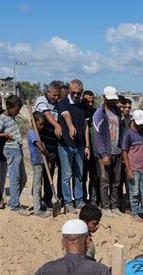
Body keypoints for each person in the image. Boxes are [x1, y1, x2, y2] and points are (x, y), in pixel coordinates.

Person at [0, 95, 29, 216]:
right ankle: (15, 206)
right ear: (9, 107)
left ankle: (13, 201)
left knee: (23, 178)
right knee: (15, 177)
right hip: (11, 150)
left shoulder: (11, 116)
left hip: (17, 148)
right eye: (16, 110)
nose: (18, 112)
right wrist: (5, 134)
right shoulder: (2, 118)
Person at [56, 79, 88, 212]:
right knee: (66, 175)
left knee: (79, 175)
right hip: (65, 145)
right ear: (69, 91)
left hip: (80, 145)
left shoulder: (83, 105)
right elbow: (66, 116)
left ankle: (79, 200)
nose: (76, 95)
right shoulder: (63, 103)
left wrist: (87, 146)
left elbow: (86, 126)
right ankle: (68, 202)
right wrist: (70, 126)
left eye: (78, 93)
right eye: (74, 93)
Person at [93, 86, 124, 216]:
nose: (112, 102)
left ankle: (114, 206)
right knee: (105, 181)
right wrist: (104, 154)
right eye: (110, 100)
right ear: (104, 98)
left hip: (117, 151)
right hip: (105, 152)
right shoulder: (99, 114)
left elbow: (120, 131)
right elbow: (98, 136)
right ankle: (106, 207)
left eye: (113, 100)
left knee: (116, 181)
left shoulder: (117, 111)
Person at [122, 110, 143, 221]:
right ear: (133, 121)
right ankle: (135, 213)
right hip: (133, 169)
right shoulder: (128, 133)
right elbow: (124, 151)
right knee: (134, 193)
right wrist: (128, 169)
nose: (140, 125)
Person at [27, 112, 51, 217]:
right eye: (40, 124)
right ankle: (37, 210)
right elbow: (41, 148)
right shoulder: (32, 133)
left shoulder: (38, 134)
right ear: (34, 122)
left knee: (37, 185)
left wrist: (48, 161)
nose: (42, 127)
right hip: (37, 162)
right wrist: (49, 156)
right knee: (38, 186)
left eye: (43, 124)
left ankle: (38, 203)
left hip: (41, 162)